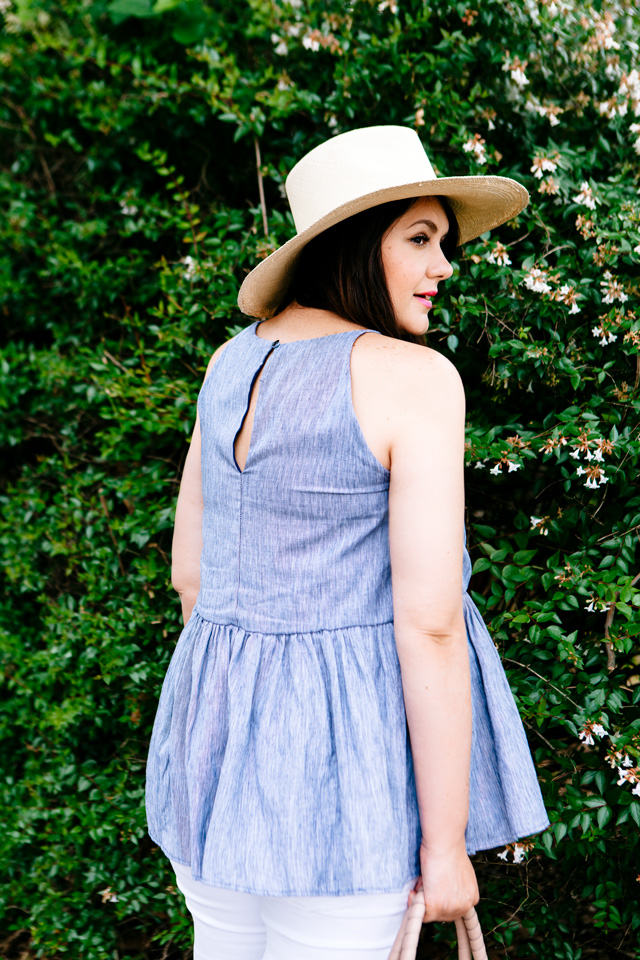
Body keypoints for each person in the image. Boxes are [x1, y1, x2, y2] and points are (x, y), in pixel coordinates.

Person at [145, 125, 549, 960]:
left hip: (208, 773)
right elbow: (429, 622)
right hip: (343, 786)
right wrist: (444, 847)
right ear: (355, 243)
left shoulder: (227, 364)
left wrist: (242, 722)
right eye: (421, 239)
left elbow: (191, 573)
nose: (446, 265)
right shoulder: (412, 379)